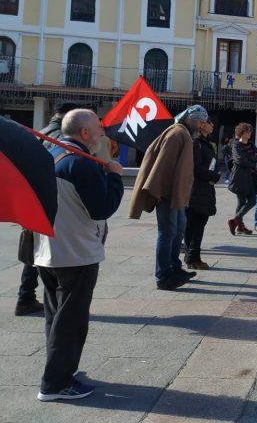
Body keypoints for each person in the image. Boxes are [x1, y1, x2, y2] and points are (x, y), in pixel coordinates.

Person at [33, 109, 124, 401]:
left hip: (49, 249)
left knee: (56, 317)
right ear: (84, 133)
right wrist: (115, 177)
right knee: (71, 321)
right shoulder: (80, 163)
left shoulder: (52, 155)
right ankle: (55, 383)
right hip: (76, 252)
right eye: (99, 127)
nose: (102, 133)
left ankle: (61, 370)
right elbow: (102, 208)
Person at [129, 105, 207, 290]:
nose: (202, 126)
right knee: (167, 233)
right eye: (200, 122)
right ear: (190, 119)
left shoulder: (183, 134)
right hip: (168, 194)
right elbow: (163, 165)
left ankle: (174, 268)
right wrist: (166, 192)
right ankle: (163, 276)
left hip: (177, 194)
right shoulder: (177, 133)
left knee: (178, 230)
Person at [16, 101, 80, 316]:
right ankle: (30, 297)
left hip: (33, 196)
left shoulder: (41, 132)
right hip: (51, 199)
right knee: (45, 251)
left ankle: (26, 296)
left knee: (35, 248)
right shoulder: (60, 138)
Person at [184, 119, 220, 269]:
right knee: (195, 225)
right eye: (209, 122)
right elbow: (196, 168)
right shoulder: (196, 143)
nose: (213, 125)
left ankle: (191, 257)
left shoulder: (206, 143)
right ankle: (193, 259)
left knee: (196, 224)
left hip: (204, 189)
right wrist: (214, 177)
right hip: (196, 190)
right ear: (201, 125)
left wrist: (213, 175)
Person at [227, 123, 257, 235]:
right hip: (240, 178)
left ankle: (235, 221)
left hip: (251, 177)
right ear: (241, 132)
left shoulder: (251, 144)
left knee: (252, 201)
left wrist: (249, 158)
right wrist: (252, 161)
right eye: (247, 131)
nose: (249, 133)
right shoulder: (236, 145)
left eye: (250, 131)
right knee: (241, 202)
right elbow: (240, 160)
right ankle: (240, 226)